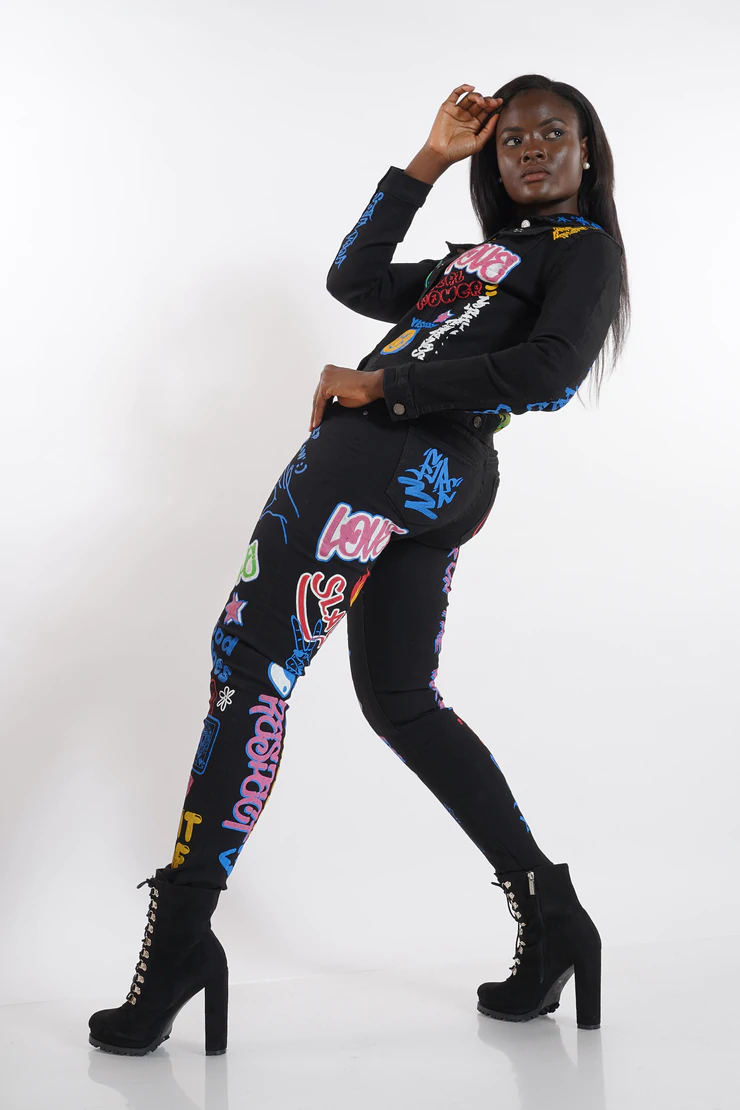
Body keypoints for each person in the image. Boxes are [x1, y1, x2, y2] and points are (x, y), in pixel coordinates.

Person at [88, 72, 630, 1056]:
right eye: (512, 139)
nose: (531, 150)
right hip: (431, 473)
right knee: (403, 703)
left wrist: (387, 384)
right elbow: (352, 276)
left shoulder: (581, 249)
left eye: (553, 133)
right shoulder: (486, 259)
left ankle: (181, 940)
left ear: (586, 149)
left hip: (394, 451)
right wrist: (429, 159)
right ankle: (551, 912)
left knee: (251, 665)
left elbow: (552, 374)